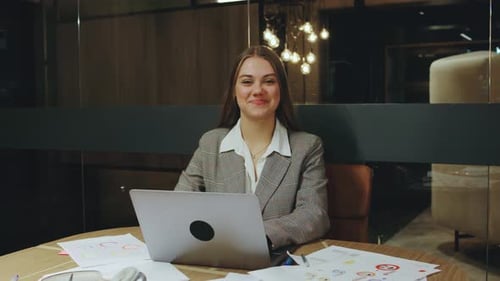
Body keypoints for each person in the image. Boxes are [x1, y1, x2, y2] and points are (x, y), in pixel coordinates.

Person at [174, 45, 329, 250]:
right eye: (247, 82)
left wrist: (258, 236)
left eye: (269, 81)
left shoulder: (307, 147)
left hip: (277, 263)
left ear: (280, 90)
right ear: (234, 91)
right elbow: (179, 203)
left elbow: (313, 215)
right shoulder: (211, 143)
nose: (258, 90)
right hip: (217, 259)